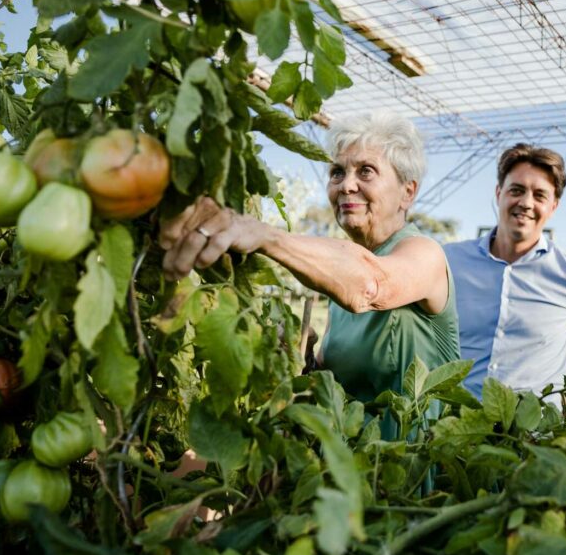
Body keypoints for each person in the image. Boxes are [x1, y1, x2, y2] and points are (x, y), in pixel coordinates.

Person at [160, 112, 460, 436]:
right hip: (348, 471)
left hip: (406, 472)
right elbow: (335, 389)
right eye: (337, 172)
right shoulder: (336, 283)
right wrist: (302, 360)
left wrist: (265, 235)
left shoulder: (424, 254)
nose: (346, 185)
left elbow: (370, 285)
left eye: (366, 171)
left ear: (408, 192)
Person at [444, 143, 566, 401]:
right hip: (451, 427)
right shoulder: (448, 261)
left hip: (535, 436)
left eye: (540, 195)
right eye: (516, 190)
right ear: (498, 193)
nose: (526, 203)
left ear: (553, 206)